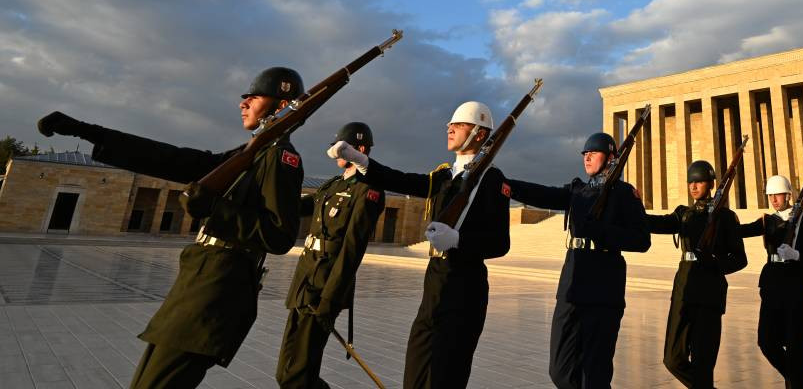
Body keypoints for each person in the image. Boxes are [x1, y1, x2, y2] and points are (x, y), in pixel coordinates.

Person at [37, 67, 305, 389]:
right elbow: (171, 158)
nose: (242, 103)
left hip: (218, 291)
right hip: (198, 282)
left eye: (254, 97)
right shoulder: (250, 154)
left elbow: (279, 235)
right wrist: (89, 132)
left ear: (281, 106)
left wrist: (214, 208)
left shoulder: (280, 157)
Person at [329, 101, 510, 389]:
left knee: (446, 373)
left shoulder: (492, 179)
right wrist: (362, 161)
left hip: (466, 286)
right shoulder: (444, 175)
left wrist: (458, 240)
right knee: (416, 367)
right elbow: (403, 181)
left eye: (458, 125)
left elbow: (500, 243)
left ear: (479, 133)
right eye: (449, 124)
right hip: (435, 281)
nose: (449, 129)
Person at [503, 132, 651, 389]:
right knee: (559, 370)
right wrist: (508, 185)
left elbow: (642, 240)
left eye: (593, 153)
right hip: (571, 288)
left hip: (603, 290)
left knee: (594, 374)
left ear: (611, 158)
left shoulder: (625, 194)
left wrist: (601, 232)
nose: (587, 157)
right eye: (585, 154)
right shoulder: (578, 190)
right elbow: (544, 194)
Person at [276, 122, 385, 388]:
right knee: (286, 372)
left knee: (297, 376)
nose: (335, 152)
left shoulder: (368, 190)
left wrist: (330, 298)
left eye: (341, 147)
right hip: (304, 283)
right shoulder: (332, 185)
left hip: (324, 288)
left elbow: (351, 250)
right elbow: (299, 206)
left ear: (359, 150)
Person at [647, 160, 747, 388]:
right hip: (684, 289)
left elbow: (740, 259)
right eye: (691, 182)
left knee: (703, 363)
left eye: (699, 182)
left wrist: (715, 263)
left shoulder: (725, 217)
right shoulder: (684, 214)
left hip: (709, 292)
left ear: (711, 184)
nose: (693, 186)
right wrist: (632, 210)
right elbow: (658, 223)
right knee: (672, 359)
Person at [739, 175, 803, 389]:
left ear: (788, 195)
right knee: (766, 341)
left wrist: (796, 255)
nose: (774, 200)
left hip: (798, 288)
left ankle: (796, 382)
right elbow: (742, 231)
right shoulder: (768, 221)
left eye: (777, 195)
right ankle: (800, 379)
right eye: (770, 196)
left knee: (796, 346)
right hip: (773, 287)